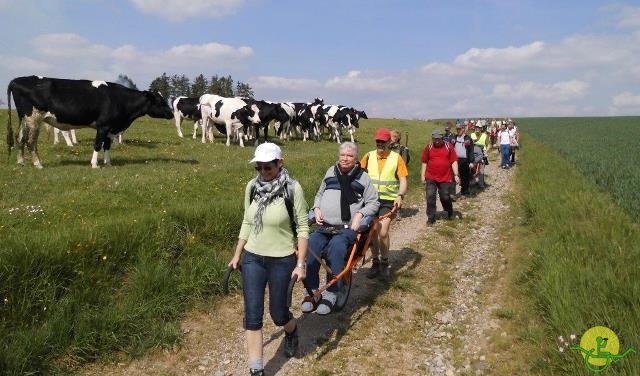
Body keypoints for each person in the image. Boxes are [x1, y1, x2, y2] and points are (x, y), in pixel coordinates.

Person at [228, 143, 309, 375]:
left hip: (282, 259)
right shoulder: (252, 187)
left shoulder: (292, 189)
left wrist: (300, 263)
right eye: (259, 167)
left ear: (279, 163)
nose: (263, 172)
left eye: (268, 167)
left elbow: (303, 227)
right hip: (253, 258)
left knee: (278, 314)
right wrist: (237, 254)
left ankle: (291, 330)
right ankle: (257, 369)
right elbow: (247, 221)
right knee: (252, 316)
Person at [303, 142, 379, 314]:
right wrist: (316, 208)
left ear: (356, 158)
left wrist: (360, 214)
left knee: (336, 249)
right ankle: (313, 291)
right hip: (324, 226)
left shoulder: (363, 177)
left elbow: (374, 202)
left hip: (346, 228)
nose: (345, 158)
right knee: (311, 246)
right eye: (343, 155)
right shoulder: (331, 171)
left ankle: (331, 293)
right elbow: (320, 193)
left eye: (350, 156)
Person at [360, 128, 408, 279]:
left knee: (383, 231)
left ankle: (385, 262)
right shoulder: (368, 156)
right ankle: (375, 262)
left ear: (389, 142)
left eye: (383, 141)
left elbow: (403, 179)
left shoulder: (396, 158)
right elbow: (358, 175)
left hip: (388, 200)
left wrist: (400, 195)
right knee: (372, 232)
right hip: (370, 200)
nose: (380, 144)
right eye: (378, 141)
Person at [421, 129, 460, 225]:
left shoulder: (448, 146)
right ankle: (431, 218)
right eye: (434, 139)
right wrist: (422, 175)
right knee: (430, 196)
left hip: (445, 177)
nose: (436, 141)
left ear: (442, 138)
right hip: (431, 176)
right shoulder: (429, 147)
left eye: (438, 139)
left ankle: (449, 210)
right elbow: (424, 161)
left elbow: (454, 161)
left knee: (445, 197)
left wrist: (455, 174)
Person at [453, 123, 474, 197]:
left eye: (460, 129)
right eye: (457, 129)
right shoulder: (454, 137)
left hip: (465, 160)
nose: (458, 130)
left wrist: (471, 161)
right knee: (454, 176)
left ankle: (465, 191)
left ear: (463, 129)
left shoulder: (467, 138)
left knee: (465, 176)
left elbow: (471, 150)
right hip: (455, 160)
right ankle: (453, 193)